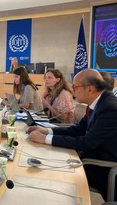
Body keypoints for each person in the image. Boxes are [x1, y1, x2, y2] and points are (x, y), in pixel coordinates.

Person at [26, 69, 117, 201]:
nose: (72, 91)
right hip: (89, 158)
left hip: (102, 167)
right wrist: (47, 131)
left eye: (75, 87)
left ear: (90, 89)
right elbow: (77, 130)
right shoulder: (95, 104)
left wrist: (45, 139)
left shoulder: (110, 108)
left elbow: (86, 143)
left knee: (51, 173)